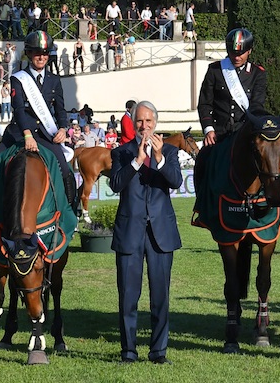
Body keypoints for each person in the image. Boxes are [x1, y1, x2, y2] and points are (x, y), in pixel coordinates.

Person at [110, 100, 182, 364]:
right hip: (130, 232)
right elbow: (116, 184)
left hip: (160, 233)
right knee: (128, 297)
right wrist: (138, 161)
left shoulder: (170, 152)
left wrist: (159, 158)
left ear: (156, 123)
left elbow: (176, 180)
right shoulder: (121, 153)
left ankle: (158, 351)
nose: (144, 126)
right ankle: (128, 351)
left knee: (160, 297)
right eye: (139, 121)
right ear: (133, 122)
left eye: (149, 121)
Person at [0, 30, 78, 210]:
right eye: (36, 52)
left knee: (65, 170)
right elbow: (18, 108)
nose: (41, 57)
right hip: (19, 133)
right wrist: (27, 135)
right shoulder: (18, 78)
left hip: (44, 134)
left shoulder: (55, 80)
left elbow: (60, 109)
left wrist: (63, 129)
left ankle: (71, 211)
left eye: (44, 53)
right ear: (28, 53)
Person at [195, 28, 268, 190]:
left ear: (249, 51)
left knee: (275, 161)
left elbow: (257, 105)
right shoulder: (215, 70)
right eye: (233, 53)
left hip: (246, 134)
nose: (237, 57)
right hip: (220, 135)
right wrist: (208, 130)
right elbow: (205, 103)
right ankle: (201, 206)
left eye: (241, 53)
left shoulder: (258, 74)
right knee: (202, 162)